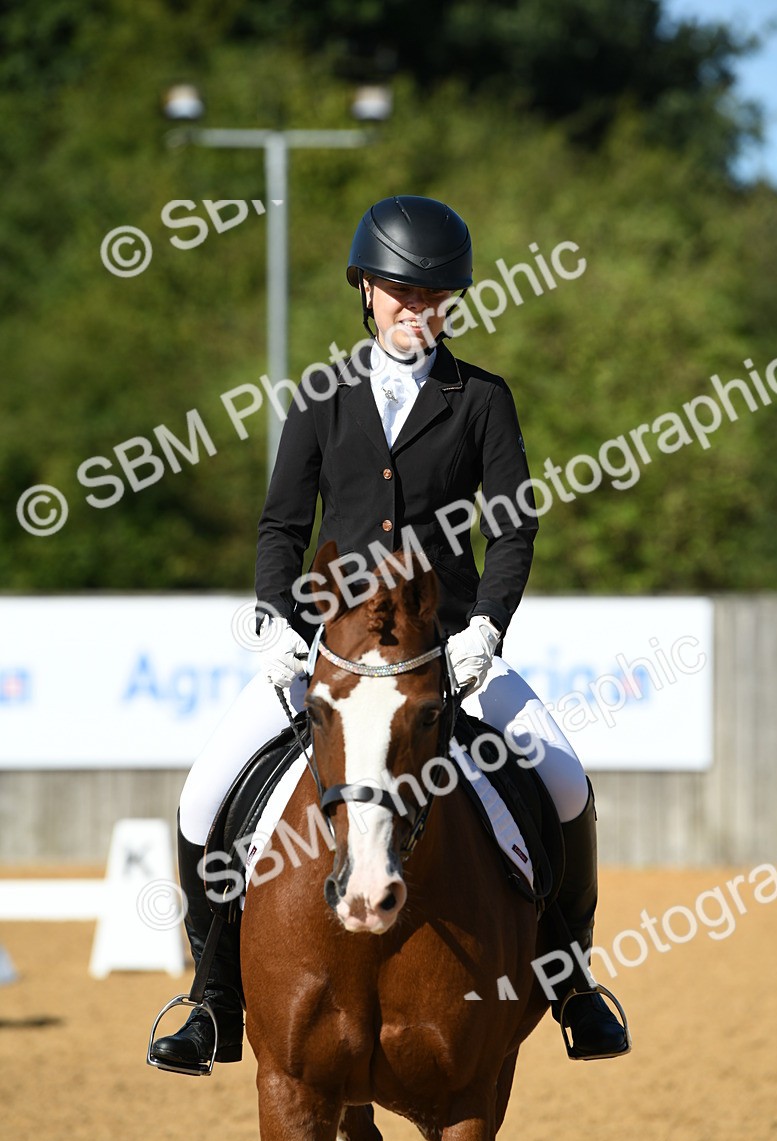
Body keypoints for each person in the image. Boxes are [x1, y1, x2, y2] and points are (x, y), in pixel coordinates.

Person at [149, 195, 629, 1072]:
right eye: (402, 294)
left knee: (563, 783)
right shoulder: (320, 396)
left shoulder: (480, 397)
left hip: (442, 653)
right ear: (365, 291)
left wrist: (484, 626)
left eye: (436, 297)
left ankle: (573, 985)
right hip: (328, 654)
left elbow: (513, 527)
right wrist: (272, 617)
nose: (419, 311)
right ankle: (210, 1000)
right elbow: (283, 527)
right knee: (201, 796)